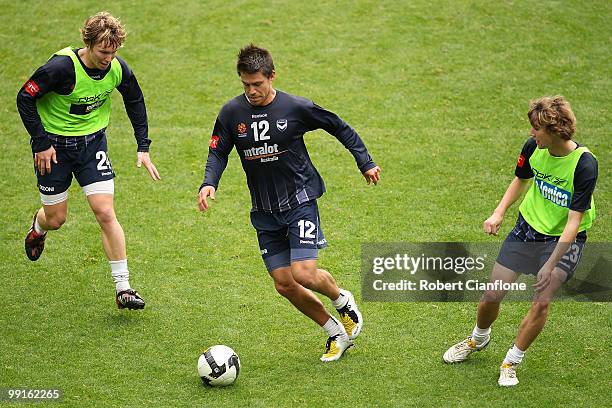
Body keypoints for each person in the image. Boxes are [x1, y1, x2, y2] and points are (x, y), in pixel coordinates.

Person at [197, 44, 381, 362]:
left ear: (272, 76)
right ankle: (335, 332)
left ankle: (341, 299)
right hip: (264, 211)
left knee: (304, 273)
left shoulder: (295, 108)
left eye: (258, 84)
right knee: (284, 283)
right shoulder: (231, 113)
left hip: (300, 200)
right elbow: (218, 150)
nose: (252, 91)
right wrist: (209, 182)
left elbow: (337, 126)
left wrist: (364, 160)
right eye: (245, 85)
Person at [443, 96, 598, 386]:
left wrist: (551, 264)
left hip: (563, 240)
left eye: (536, 128)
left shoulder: (584, 165)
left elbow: (574, 222)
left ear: (554, 130)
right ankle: (478, 339)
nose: (531, 133)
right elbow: (520, 179)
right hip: (527, 229)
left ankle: (511, 361)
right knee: (493, 292)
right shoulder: (533, 148)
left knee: (541, 302)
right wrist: (498, 213)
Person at [17, 11, 161, 310]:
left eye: (113, 52)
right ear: (88, 44)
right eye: (103, 52)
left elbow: (135, 99)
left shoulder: (117, 68)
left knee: (105, 211)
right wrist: (40, 143)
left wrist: (143, 146)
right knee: (56, 218)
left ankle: (123, 288)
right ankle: (39, 227)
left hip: (92, 145)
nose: (108, 58)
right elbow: (24, 98)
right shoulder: (60, 68)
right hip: (53, 149)